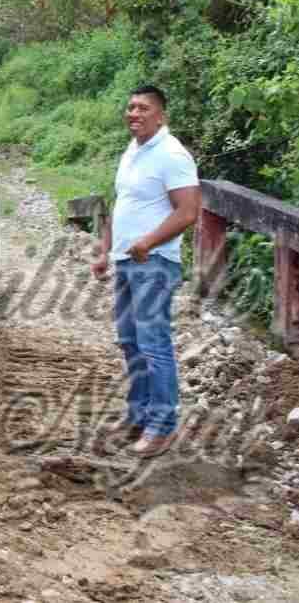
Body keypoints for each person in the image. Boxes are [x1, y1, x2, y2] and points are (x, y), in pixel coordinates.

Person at [90, 85, 201, 458]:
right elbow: (124, 203)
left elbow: (188, 211)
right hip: (126, 260)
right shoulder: (134, 151)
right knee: (131, 342)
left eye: (143, 108)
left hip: (153, 263)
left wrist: (148, 243)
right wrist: (105, 249)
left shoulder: (172, 155)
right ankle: (138, 415)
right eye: (131, 107)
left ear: (161, 115)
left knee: (154, 345)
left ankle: (162, 426)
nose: (134, 113)